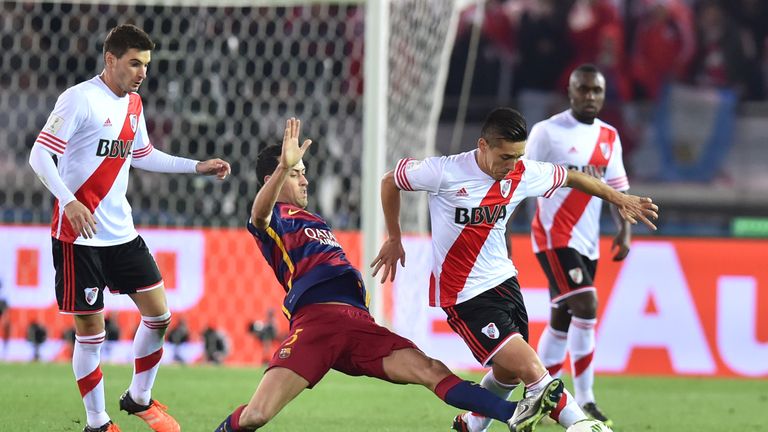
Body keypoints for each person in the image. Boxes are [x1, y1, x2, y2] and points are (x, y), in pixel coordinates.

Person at [214, 118, 554, 432]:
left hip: (359, 324)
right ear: (270, 180)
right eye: (294, 173)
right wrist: (281, 169)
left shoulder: (315, 219)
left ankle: (514, 414)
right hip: (317, 325)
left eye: (302, 171)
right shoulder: (275, 217)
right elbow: (258, 216)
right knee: (256, 416)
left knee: (430, 369)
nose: (304, 178)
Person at [371, 107, 658, 432]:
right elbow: (390, 181)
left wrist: (618, 198)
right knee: (533, 370)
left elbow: (573, 177)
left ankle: (471, 426)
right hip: (464, 294)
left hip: (505, 283)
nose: (511, 166)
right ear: (483, 146)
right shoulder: (444, 172)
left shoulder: (524, 172)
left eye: (518, 157)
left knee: (507, 372)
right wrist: (394, 237)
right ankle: (581, 425)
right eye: (505, 157)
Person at [28, 24, 231, 432]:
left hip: (122, 235)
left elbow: (143, 154)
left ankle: (138, 397)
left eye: (146, 65)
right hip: (78, 238)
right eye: (135, 63)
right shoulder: (79, 100)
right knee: (92, 331)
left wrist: (196, 167)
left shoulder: (134, 105)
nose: (142, 72)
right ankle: (97, 422)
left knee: (159, 316)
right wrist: (68, 201)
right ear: (111, 60)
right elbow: (39, 155)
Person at [527, 63, 630, 427]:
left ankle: (540, 396)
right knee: (586, 304)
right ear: (570, 91)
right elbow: (518, 179)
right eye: (583, 89)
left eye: (596, 91)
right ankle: (585, 400)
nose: (590, 96)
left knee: (562, 317)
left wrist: (624, 231)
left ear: (603, 94)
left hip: (588, 242)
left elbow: (618, 189)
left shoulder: (609, 136)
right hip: (553, 236)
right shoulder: (547, 132)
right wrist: (503, 227)